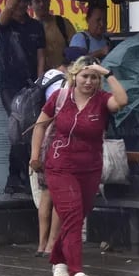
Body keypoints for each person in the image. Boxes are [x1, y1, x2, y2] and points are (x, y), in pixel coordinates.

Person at [29, 55, 128, 276]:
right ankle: (76, 270)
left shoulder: (103, 100)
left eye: (94, 77)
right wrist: (35, 156)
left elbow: (123, 100)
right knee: (72, 214)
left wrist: (108, 74)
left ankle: (58, 259)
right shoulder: (60, 97)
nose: (89, 81)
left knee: (78, 214)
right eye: (85, 76)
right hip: (59, 164)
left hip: (90, 167)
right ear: (74, 76)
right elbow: (40, 125)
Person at [32, 47, 87, 258]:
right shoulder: (67, 87)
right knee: (59, 196)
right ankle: (51, 244)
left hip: (46, 143)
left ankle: (41, 243)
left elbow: (40, 122)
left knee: (47, 194)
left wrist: (34, 155)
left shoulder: (48, 76)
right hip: (60, 146)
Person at [0, 0, 45, 194]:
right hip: (9, 86)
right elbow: (7, 10)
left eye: (26, 1)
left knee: (29, 130)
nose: (23, 5)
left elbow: (41, 55)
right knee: (18, 125)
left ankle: (17, 176)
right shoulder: (3, 24)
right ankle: (17, 175)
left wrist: (40, 82)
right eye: (20, 0)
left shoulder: (35, 27)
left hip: (31, 85)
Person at [30, 0, 77, 69]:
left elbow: (75, 50)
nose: (42, 4)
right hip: (40, 77)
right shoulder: (29, 28)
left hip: (64, 74)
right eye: (37, 1)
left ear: (49, 1)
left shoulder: (63, 23)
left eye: (44, 0)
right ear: (30, 5)